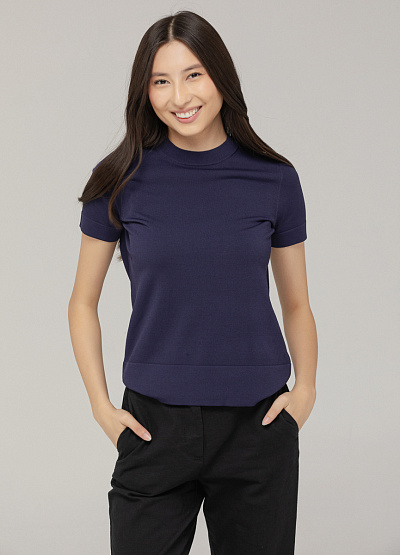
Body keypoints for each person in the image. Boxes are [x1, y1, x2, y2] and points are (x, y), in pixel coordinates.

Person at [68, 9, 317, 555]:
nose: (179, 96)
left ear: (221, 77)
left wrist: (304, 392)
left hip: (257, 425)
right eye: (161, 81)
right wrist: (102, 407)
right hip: (153, 426)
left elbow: (297, 303)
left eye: (193, 75)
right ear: (145, 91)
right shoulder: (118, 180)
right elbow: (82, 302)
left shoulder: (274, 179)